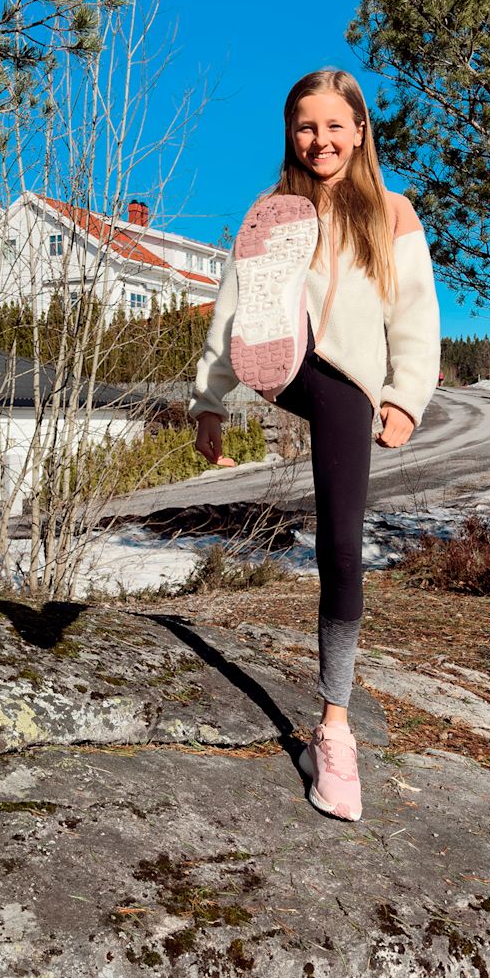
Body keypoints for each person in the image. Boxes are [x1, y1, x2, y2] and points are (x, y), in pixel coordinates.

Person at [189, 68, 440, 822]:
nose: (319, 140)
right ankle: (280, 353)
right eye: (305, 127)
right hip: (287, 366)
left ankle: (334, 727)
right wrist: (209, 401)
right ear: (290, 134)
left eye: (334, 126)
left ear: (360, 131)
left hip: (349, 381)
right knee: (269, 325)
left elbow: (415, 310)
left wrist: (404, 396)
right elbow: (231, 308)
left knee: (340, 546)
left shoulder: (391, 212)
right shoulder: (270, 212)